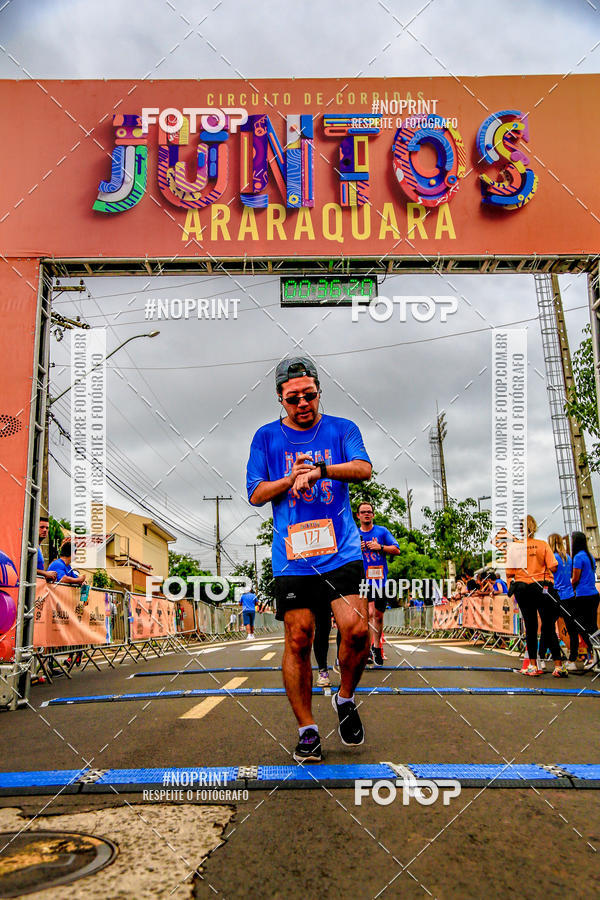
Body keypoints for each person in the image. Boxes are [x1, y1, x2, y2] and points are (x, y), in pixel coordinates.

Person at [246, 355, 372, 763]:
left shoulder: (342, 429)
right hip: (293, 555)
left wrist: (320, 470)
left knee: (355, 630)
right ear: (280, 399)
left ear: (319, 392)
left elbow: (364, 468)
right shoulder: (265, 438)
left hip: (341, 549)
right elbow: (255, 493)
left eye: (309, 396)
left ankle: (345, 698)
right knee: (299, 638)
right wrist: (289, 478)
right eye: (293, 398)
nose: (303, 404)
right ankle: (307, 729)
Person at [506, 516, 566, 677]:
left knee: (530, 627)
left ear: (520, 529)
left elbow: (509, 573)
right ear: (535, 528)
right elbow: (554, 566)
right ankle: (558, 666)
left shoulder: (514, 547)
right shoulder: (542, 545)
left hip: (523, 588)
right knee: (548, 626)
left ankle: (533, 665)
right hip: (542, 586)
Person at [356, 501, 400, 666]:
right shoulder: (354, 534)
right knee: (368, 612)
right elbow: (342, 552)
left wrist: (380, 547)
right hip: (363, 580)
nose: (366, 514)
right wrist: (356, 549)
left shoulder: (382, 531)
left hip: (380, 580)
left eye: (369, 511)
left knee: (378, 615)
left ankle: (376, 647)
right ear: (358, 515)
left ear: (373, 515)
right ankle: (367, 650)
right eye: (363, 512)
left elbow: (396, 549)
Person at [570, 531, 600, 671]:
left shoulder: (577, 557)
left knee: (580, 625)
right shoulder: (590, 557)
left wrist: (568, 585)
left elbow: (575, 578)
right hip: (593, 594)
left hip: (583, 595)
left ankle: (593, 653)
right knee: (592, 626)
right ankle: (594, 656)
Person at [37, 516, 57, 582]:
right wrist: (45, 573)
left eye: (47, 528)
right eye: (42, 527)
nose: (45, 530)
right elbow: (24, 568)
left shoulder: (38, 547)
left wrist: (47, 575)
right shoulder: (30, 546)